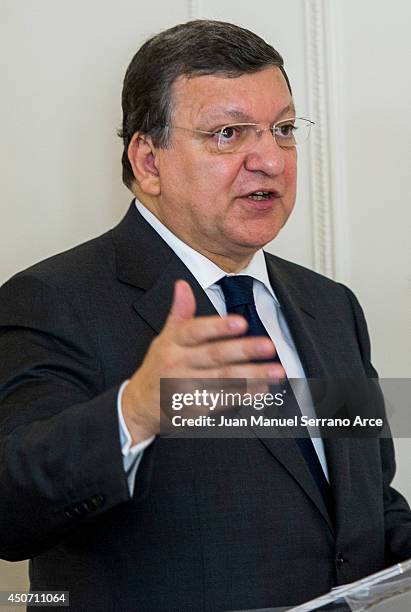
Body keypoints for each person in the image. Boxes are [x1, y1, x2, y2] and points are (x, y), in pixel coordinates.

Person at [0, 19, 410, 612]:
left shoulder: (332, 306)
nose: (270, 158)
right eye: (227, 133)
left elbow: (370, 503)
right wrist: (136, 410)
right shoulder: (51, 299)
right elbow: (10, 509)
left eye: (284, 129)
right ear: (148, 161)